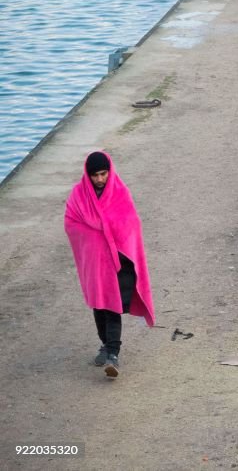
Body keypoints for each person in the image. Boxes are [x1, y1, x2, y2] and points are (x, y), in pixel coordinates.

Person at [64, 151, 155, 378]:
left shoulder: (120, 193)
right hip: (94, 262)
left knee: (112, 305)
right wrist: (96, 237)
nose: (100, 179)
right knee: (98, 305)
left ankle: (113, 353)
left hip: (118, 261)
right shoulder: (78, 195)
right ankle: (105, 344)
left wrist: (114, 242)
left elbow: (131, 223)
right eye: (95, 175)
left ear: (109, 171)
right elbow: (71, 223)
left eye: (103, 174)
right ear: (88, 174)